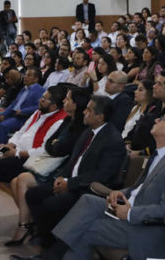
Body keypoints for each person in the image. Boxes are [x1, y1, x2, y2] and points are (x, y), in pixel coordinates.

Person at [28, 108, 165, 260]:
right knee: (88, 200)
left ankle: (52, 255)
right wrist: (120, 192)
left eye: (162, 119)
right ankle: (54, 253)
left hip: (146, 228)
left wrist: (130, 213)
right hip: (130, 209)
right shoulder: (159, 154)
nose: (156, 120)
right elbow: (140, 189)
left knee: (87, 227)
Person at [0, 86, 68, 234]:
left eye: (44, 99)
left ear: (54, 105)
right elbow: (21, 132)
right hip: (14, 149)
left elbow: (43, 151)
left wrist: (16, 153)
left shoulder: (59, 122)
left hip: (28, 159)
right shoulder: (38, 112)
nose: (40, 100)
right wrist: (9, 144)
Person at [25, 95, 126, 249]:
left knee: (51, 204)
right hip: (70, 181)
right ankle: (47, 237)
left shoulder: (113, 140)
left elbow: (102, 175)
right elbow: (74, 161)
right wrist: (62, 177)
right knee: (33, 194)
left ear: (100, 116)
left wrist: (69, 184)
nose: (84, 112)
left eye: (89, 110)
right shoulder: (88, 132)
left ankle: (51, 246)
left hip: (86, 190)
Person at [5, 85, 90, 247]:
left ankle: (24, 226)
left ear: (76, 104)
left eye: (68, 99)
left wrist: (56, 145)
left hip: (58, 169)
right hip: (51, 162)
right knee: (15, 182)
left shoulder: (80, 126)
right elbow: (52, 144)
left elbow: (61, 148)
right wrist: (56, 144)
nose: (65, 101)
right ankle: (31, 223)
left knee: (21, 179)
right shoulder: (67, 120)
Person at [0, 66, 46, 145]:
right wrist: (4, 114)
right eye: (25, 75)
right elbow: (14, 104)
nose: (25, 77)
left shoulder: (40, 90)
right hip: (13, 113)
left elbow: (38, 107)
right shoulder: (24, 89)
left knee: (3, 126)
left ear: (36, 79)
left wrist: (23, 111)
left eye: (29, 75)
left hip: (23, 117)